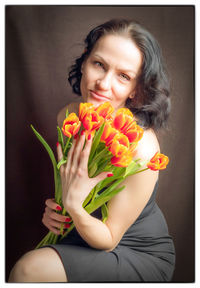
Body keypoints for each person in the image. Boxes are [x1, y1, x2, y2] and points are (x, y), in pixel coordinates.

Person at [8, 19, 175, 282]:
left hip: (134, 251)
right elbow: (76, 187)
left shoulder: (141, 147)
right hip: (84, 229)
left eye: (124, 76)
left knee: (28, 270)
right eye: (99, 64)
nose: (103, 84)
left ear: (136, 91)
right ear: (84, 63)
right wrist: (58, 211)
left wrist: (73, 206)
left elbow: (108, 238)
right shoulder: (69, 117)